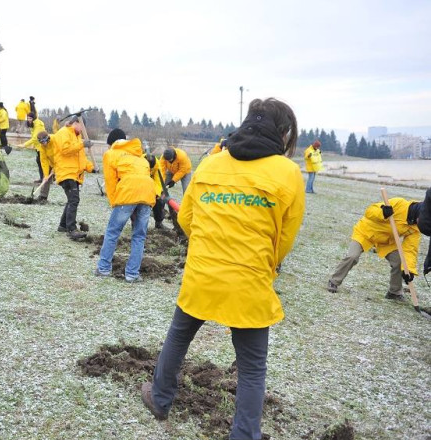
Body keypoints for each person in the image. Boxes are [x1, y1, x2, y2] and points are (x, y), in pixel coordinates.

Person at [141, 98, 305, 440]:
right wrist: (267, 266)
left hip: (202, 275)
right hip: (249, 282)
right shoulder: (288, 173)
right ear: (285, 132)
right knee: (251, 368)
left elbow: (185, 218)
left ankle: (159, 399)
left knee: (179, 337)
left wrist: (209, 247)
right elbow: (285, 238)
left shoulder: (212, 164)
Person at [327, 197, 423, 300]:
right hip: (366, 233)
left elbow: (410, 249)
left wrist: (408, 270)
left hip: (386, 241)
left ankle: (394, 292)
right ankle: (334, 281)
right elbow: (369, 211)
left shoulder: (417, 227)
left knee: (399, 261)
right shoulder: (399, 203)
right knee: (352, 256)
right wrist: (382, 213)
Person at [95, 129, 156, 282]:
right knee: (139, 236)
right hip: (147, 193)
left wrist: (114, 202)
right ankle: (132, 274)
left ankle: (103, 268)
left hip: (128, 192)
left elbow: (110, 181)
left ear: (112, 143)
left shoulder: (111, 154)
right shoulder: (139, 157)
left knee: (112, 232)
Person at [53, 117, 94, 241]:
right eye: (82, 126)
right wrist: (82, 144)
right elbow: (65, 150)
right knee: (74, 199)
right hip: (66, 172)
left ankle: (63, 225)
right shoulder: (63, 132)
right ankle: (71, 229)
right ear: (76, 123)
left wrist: (92, 168)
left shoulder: (77, 137)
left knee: (71, 200)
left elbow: (81, 159)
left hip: (74, 174)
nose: (83, 129)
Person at [24, 112, 46, 182]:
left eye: (30, 118)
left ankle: (46, 178)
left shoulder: (38, 125)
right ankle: (43, 178)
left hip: (42, 146)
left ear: (33, 118)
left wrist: (25, 144)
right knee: (39, 161)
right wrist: (34, 146)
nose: (28, 119)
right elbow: (34, 136)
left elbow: (35, 137)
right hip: (38, 146)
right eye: (27, 118)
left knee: (42, 162)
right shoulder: (33, 124)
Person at [34, 130, 56, 204]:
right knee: (45, 178)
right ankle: (43, 196)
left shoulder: (55, 140)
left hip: (62, 162)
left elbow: (60, 154)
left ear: (47, 138)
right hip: (51, 163)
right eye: (41, 142)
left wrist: (56, 167)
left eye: (44, 142)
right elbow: (44, 161)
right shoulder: (42, 147)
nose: (43, 144)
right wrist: (46, 175)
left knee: (64, 179)